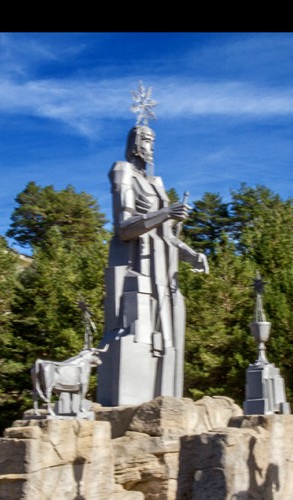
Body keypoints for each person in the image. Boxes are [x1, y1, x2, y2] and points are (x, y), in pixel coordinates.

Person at [96, 94, 209, 407]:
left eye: (154, 141)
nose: (151, 146)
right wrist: (166, 213)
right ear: (134, 143)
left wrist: (193, 255)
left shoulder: (157, 182)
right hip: (136, 271)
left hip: (164, 274)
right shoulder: (122, 172)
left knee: (169, 339)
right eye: (146, 140)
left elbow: (168, 236)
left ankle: (165, 403)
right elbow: (124, 227)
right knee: (139, 337)